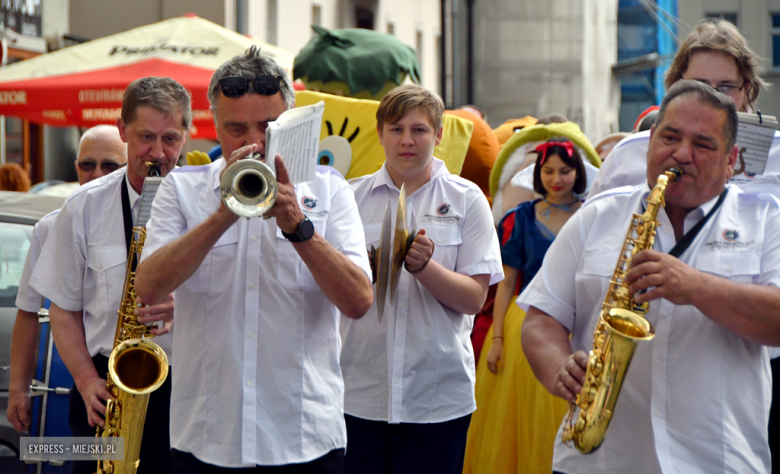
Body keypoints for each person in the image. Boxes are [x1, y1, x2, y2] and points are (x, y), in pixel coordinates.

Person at [133, 46, 373, 473]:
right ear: (216, 127)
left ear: (291, 123)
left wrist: (299, 227)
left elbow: (358, 300)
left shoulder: (331, 189)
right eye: (236, 128)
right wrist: (225, 211)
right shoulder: (181, 189)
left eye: (267, 126)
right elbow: (149, 285)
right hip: (207, 437)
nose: (253, 141)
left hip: (304, 438)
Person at [521, 80, 780, 474]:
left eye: (703, 144)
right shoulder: (596, 216)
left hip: (718, 460)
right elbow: (541, 319)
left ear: (732, 160)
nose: (681, 153)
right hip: (600, 460)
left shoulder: (767, 219)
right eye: (670, 137)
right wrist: (559, 367)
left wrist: (696, 286)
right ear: (650, 141)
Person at [340, 84, 503, 474]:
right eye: (396, 129)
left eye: (419, 130)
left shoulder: (467, 199)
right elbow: (330, 293)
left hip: (437, 397)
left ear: (439, 134)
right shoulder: (348, 197)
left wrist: (425, 269)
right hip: (358, 394)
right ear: (379, 134)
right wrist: (359, 270)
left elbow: (474, 300)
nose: (407, 141)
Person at [30, 77, 189, 474]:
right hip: (105, 391)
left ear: (187, 133)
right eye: (145, 137)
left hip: (191, 387)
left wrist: (186, 304)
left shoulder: (210, 206)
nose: (158, 152)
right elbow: (63, 310)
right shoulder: (83, 208)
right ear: (122, 132)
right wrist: (85, 381)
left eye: (170, 138)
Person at [464, 139, 586, 473]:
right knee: (514, 423)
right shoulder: (520, 218)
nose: (556, 178)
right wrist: (499, 338)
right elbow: (506, 282)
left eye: (564, 170)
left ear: (578, 173)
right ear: (538, 173)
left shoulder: (594, 214)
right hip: (525, 326)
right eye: (548, 171)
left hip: (578, 325)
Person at [7, 125, 127, 434]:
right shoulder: (50, 227)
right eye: (87, 164)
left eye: (110, 164)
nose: (97, 173)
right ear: (75, 167)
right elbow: (28, 310)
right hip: (90, 380)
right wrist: (18, 388)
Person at [589, 19, 776, 198]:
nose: (713, 98)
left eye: (726, 86)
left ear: (746, 90)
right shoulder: (627, 155)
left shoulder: (777, 154)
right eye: (698, 85)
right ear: (676, 86)